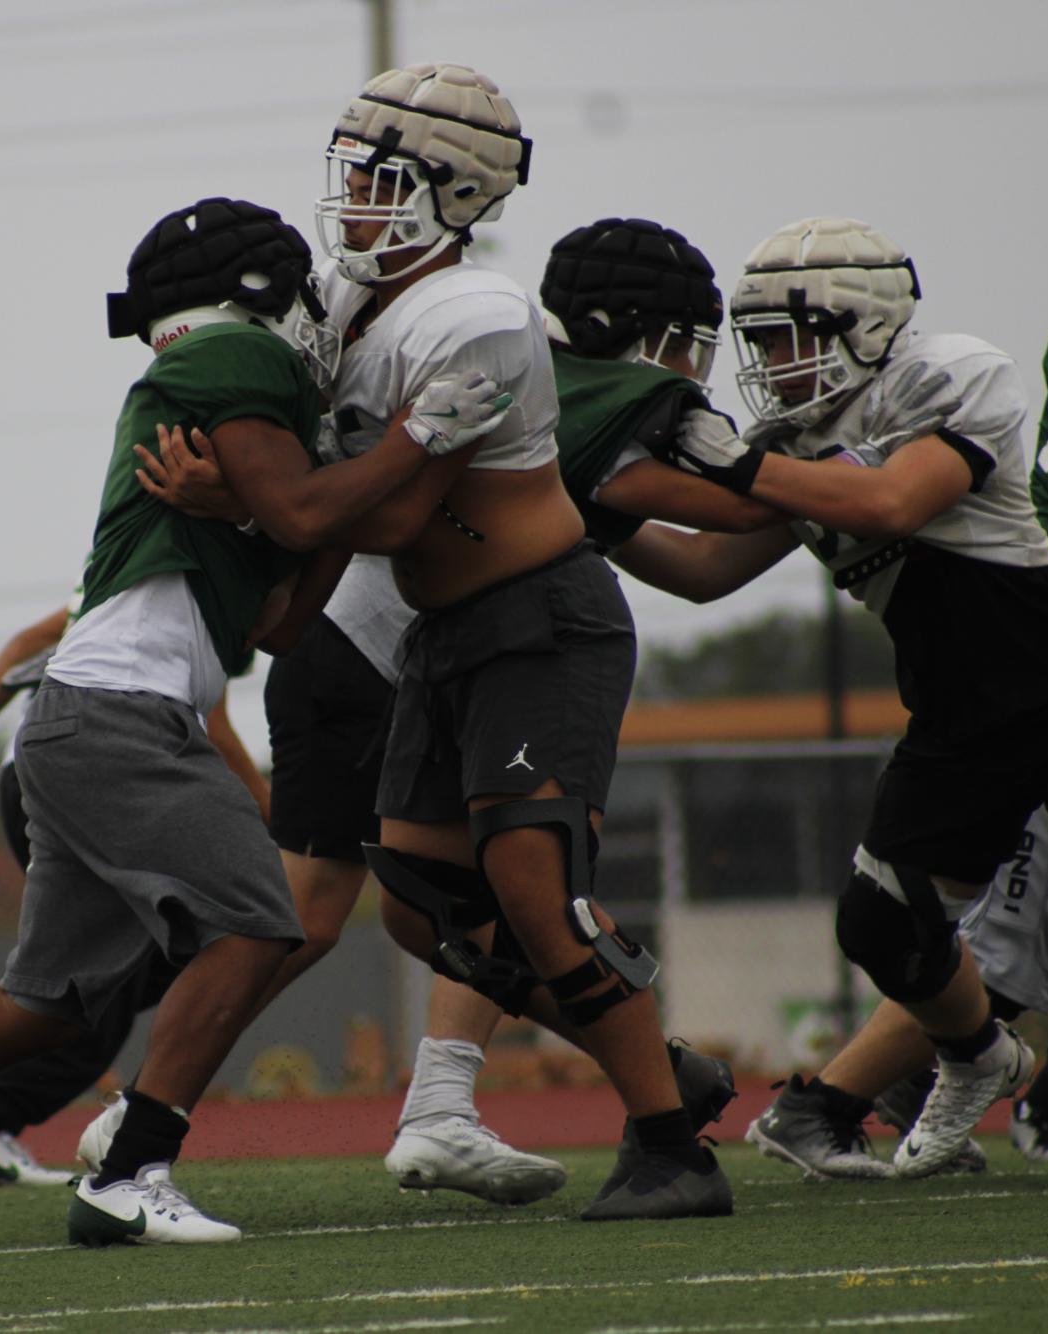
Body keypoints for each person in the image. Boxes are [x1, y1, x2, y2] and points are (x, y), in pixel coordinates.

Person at [0, 196, 513, 1253]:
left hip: (82, 719)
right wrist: (414, 439)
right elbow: (301, 515)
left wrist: (325, 493)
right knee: (258, 921)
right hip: (118, 717)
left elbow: (287, 615)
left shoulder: (223, 394)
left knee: (46, 1002)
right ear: (259, 296)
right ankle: (131, 1163)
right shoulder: (236, 359)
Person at [622, 215, 1048, 1179]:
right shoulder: (787, 442)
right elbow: (704, 571)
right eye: (758, 342)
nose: (773, 362)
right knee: (877, 927)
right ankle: (975, 1059)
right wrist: (597, 506)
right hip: (960, 719)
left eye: (789, 334)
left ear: (863, 321)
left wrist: (732, 463)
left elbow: (890, 504)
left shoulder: (951, 372)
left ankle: (919, 1085)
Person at [301, 64, 731, 1221]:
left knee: (536, 886)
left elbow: (386, 513)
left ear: (457, 190)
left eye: (383, 179)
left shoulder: (475, 317)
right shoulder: (347, 302)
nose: (355, 200)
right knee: (418, 893)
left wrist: (269, 496)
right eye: (352, 173)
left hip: (540, 615)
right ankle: (666, 1067)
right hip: (447, 629)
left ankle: (669, 1143)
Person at [0, 601, 268, 1188]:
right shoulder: (172, 573)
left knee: (139, 968)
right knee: (96, 992)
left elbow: (22, 648)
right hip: (88, 770)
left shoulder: (146, 579)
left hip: (56, 766)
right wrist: (266, 816)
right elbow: (219, 724)